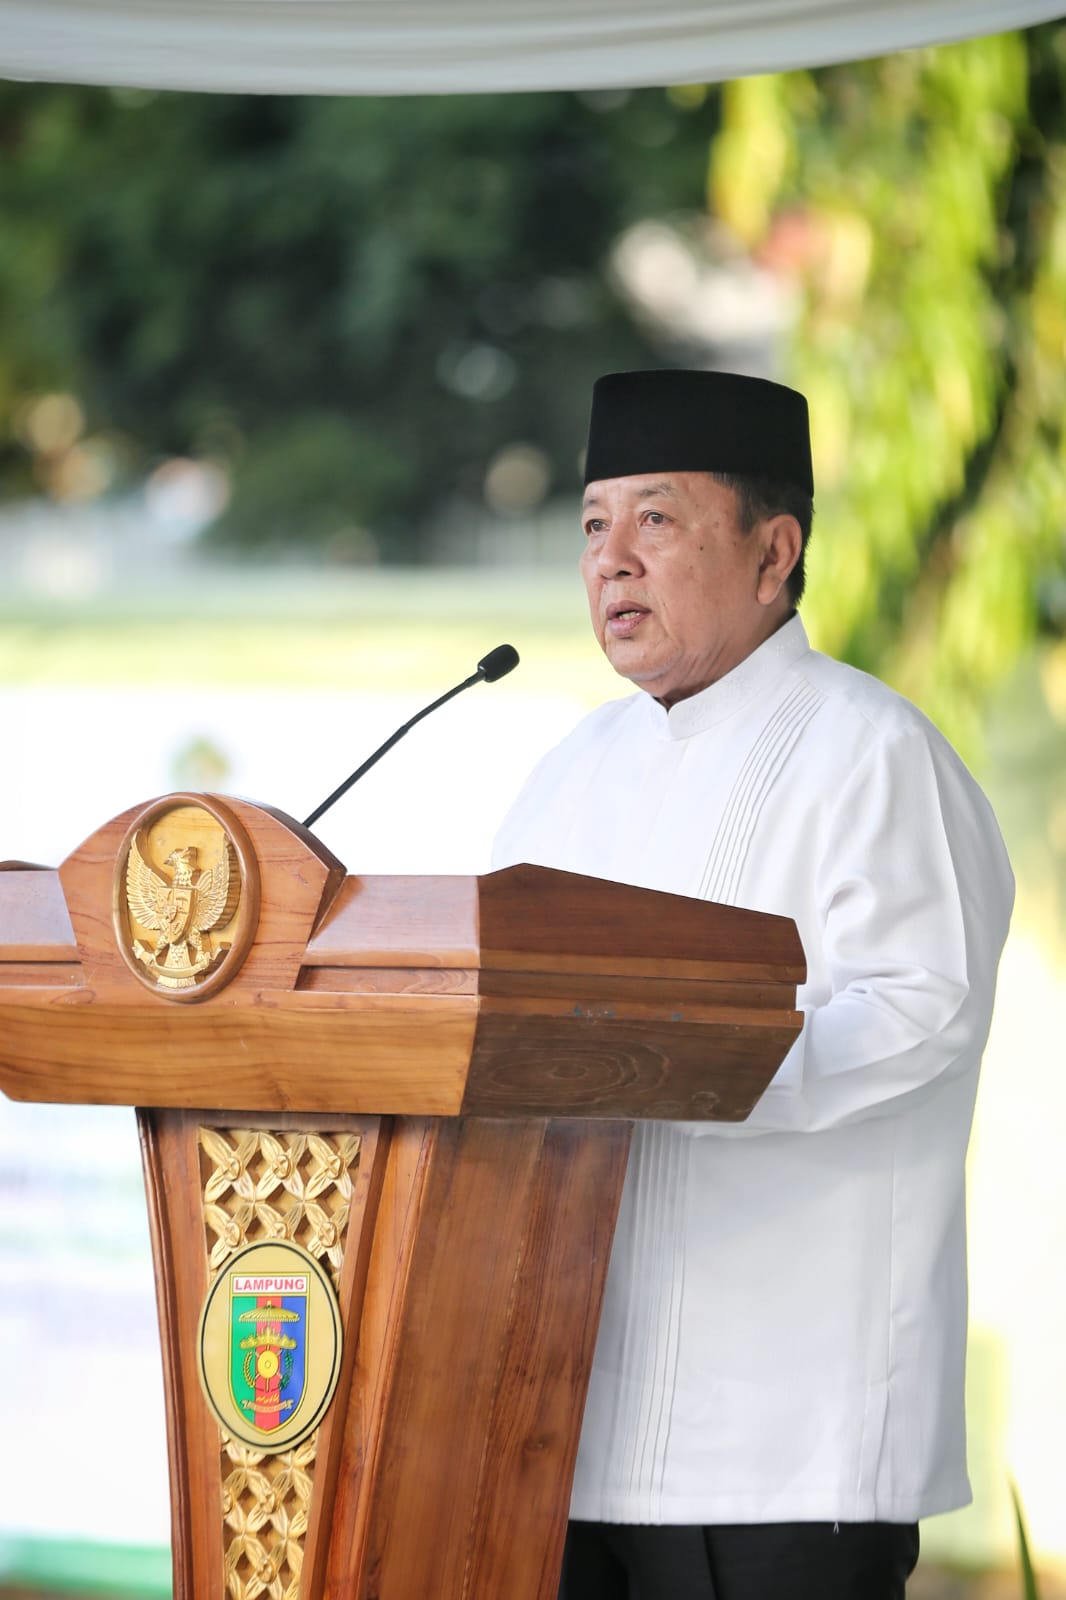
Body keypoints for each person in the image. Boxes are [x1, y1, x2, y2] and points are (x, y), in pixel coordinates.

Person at [491, 369, 1015, 1600]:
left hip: (790, 1451)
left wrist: (668, 1070)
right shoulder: (571, 771)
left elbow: (918, 1009)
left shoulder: (872, 750)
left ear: (774, 550)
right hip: (563, 1431)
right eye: (590, 524)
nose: (610, 560)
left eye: (655, 520)